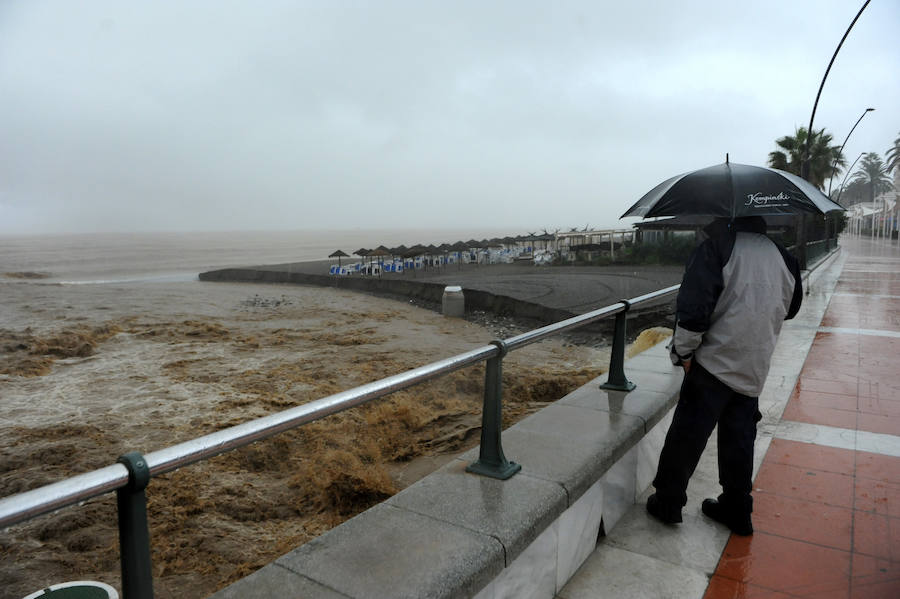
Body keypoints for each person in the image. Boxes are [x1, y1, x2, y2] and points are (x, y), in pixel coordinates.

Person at [646, 215, 802, 535]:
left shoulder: (717, 248)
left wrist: (684, 353)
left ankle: (669, 502)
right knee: (740, 439)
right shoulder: (784, 256)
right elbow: (792, 307)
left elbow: (693, 311)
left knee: (687, 436)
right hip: (754, 365)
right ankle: (737, 508)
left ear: (729, 219)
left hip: (714, 363)